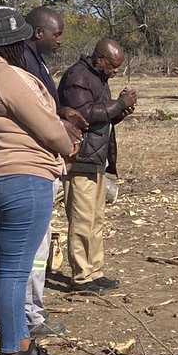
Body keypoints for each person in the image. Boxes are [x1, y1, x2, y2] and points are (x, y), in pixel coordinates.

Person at [0, 6, 80, 355]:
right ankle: (10, 354)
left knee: (5, 269)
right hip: (23, 178)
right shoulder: (5, 74)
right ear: (13, 42)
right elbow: (46, 126)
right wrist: (68, 143)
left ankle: (23, 345)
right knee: (15, 272)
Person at [20, 6, 85, 337]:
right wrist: (62, 129)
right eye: (56, 34)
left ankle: (33, 311)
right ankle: (28, 317)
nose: (61, 40)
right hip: (31, 169)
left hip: (43, 165)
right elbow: (37, 120)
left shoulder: (36, 64)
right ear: (37, 33)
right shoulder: (22, 66)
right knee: (33, 249)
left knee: (40, 246)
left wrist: (65, 114)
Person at [57, 36, 137, 292]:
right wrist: (119, 104)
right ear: (99, 58)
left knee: (96, 219)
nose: (114, 72)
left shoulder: (98, 78)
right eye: (112, 66)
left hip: (96, 159)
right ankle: (81, 277)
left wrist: (119, 113)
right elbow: (85, 116)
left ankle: (95, 270)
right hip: (79, 159)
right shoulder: (76, 77)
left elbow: (103, 117)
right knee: (81, 220)